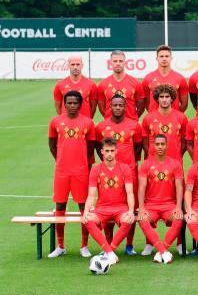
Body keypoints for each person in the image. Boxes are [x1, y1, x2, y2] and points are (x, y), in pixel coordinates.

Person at [47, 90, 95, 258]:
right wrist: (61, 159)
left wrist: (79, 161)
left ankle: (84, 246)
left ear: (80, 105)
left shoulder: (88, 122)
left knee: (84, 206)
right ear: (64, 104)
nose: (72, 105)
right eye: (69, 102)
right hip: (61, 172)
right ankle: (60, 246)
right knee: (60, 205)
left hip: (81, 172)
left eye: (75, 103)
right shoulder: (55, 121)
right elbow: (52, 145)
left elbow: (90, 148)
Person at [95, 94, 143, 255]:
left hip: (129, 173)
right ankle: (108, 244)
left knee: (131, 208)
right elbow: (97, 146)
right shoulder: (101, 127)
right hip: (108, 174)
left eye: (120, 105)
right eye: (114, 105)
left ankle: (129, 245)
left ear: (125, 107)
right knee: (108, 205)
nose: (117, 108)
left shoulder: (134, 125)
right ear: (110, 106)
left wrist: (129, 164)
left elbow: (138, 147)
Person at [81, 137, 135, 265]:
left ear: (116, 151)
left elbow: (130, 192)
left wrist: (131, 211)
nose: (109, 153)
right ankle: (110, 253)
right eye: (107, 151)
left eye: (112, 150)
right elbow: (91, 195)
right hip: (102, 208)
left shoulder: (125, 168)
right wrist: (85, 212)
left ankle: (109, 251)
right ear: (102, 152)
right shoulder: (96, 169)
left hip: (120, 208)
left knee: (128, 220)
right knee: (87, 220)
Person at [137, 134, 184, 263]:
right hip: (150, 206)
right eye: (157, 144)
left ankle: (161, 250)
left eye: (162, 144)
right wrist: (141, 208)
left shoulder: (175, 164)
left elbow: (179, 187)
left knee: (179, 217)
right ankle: (163, 251)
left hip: (169, 206)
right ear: (153, 145)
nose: (160, 147)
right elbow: (141, 187)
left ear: (167, 145)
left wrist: (179, 207)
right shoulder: (146, 164)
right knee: (142, 218)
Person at [141, 84, 188, 164]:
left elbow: (185, 143)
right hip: (154, 163)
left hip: (175, 162)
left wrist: (177, 155)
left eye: (167, 96)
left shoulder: (181, 118)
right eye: (161, 97)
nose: (164, 100)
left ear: (172, 98)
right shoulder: (148, 118)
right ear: (157, 99)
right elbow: (145, 145)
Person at [98, 50, 145, 120]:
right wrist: (109, 118)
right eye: (115, 61)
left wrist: (132, 119)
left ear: (125, 62)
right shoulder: (103, 84)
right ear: (111, 63)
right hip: (110, 125)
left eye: (120, 61)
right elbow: (101, 107)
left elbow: (141, 105)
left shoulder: (135, 83)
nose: (118, 63)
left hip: (130, 125)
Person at [142, 45, 189, 112]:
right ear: (157, 58)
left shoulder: (180, 78)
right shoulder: (148, 78)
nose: (164, 59)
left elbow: (184, 104)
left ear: (171, 58)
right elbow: (147, 103)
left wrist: (176, 116)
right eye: (161, 56)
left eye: (167, 56)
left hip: (173, 120)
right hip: (154, 120)